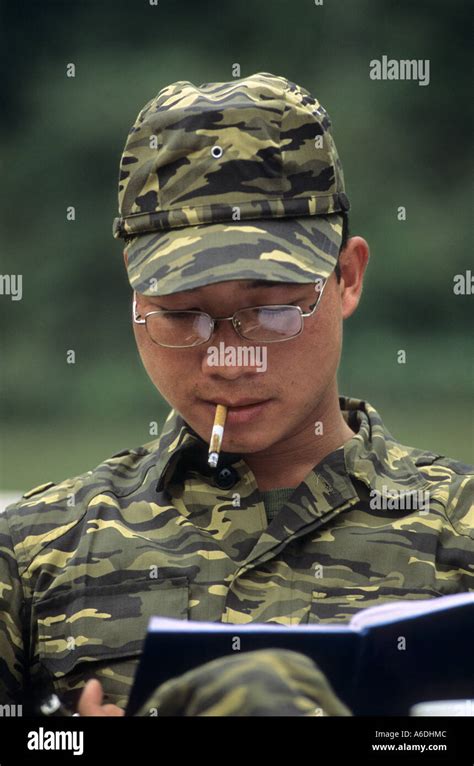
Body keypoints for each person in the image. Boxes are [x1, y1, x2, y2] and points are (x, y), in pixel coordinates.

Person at [1, 72, 472, 717]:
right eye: (182, 316)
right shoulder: (35, 553)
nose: (227, 359)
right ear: (136, 301)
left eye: (272, 310)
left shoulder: (462, 530)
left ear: (348, 277)